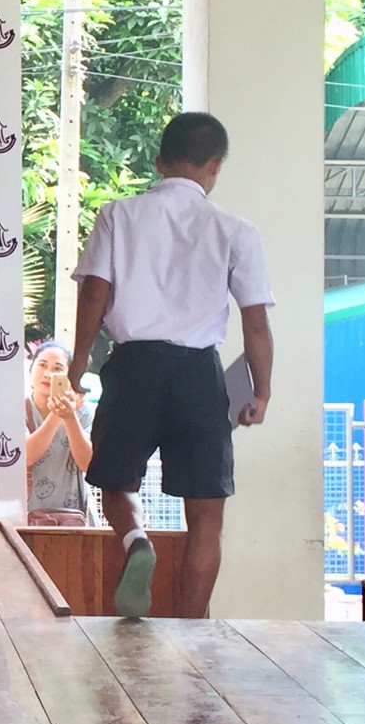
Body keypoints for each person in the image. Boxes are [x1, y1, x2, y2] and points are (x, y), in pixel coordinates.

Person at [69, 112, 273, 619]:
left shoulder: (118, 215)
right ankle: (192, 629)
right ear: (216, 165)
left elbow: (94, 293)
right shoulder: (235, 230)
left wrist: (78, 362)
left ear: (159, 162)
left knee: (115, 485)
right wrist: (261, 392)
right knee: (205, 515)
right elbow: (256, 324)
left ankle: (136, 540)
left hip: (133, 367)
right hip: (198, 375)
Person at [24, 340, 96, 526]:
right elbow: (26, 456)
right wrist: (58, 414)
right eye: (42, 365)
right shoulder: (19, 410)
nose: (48, 374)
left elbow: (88, 463)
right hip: (25, 514)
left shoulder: (84, 413)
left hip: (73, 517)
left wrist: (70, 417)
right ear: (31, 370)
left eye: (57, 368)